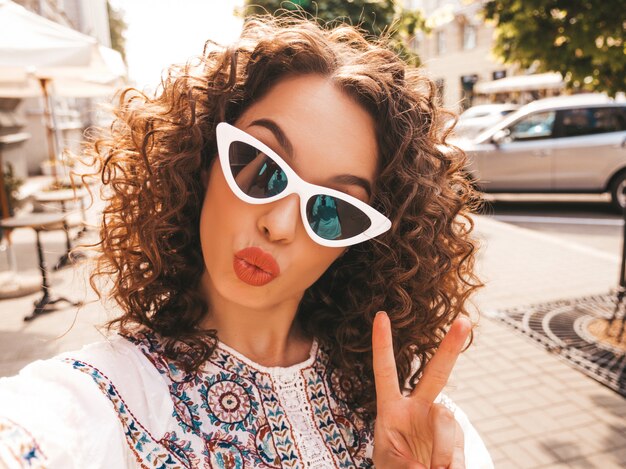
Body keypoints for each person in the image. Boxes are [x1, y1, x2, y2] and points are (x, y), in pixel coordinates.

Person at [0, 15, 492, 469]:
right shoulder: (105, 397)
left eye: (333, 209)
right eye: (261, 170)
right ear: (201, 161)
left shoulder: (408, 409)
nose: (278, 225)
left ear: (358, 244)